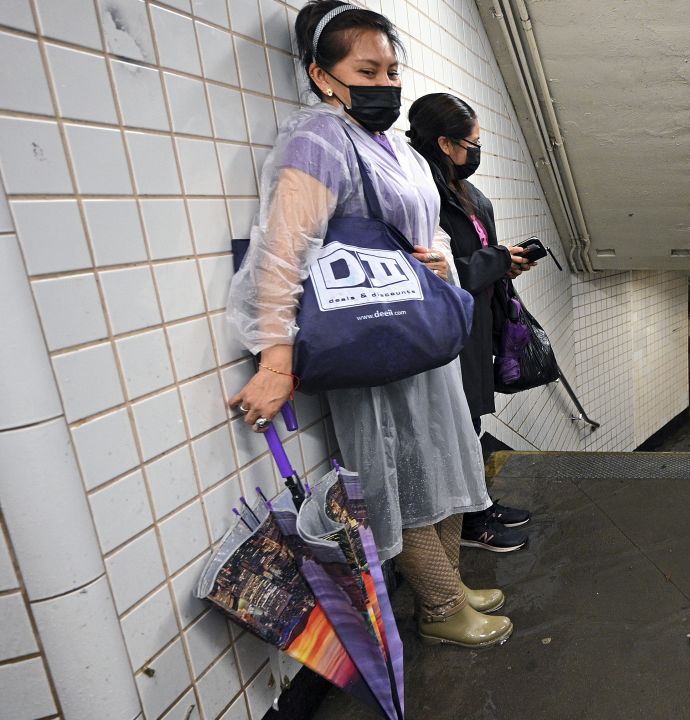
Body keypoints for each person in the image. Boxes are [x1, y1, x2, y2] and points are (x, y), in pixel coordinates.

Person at [225, 0, 511, 648]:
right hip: (372, 338)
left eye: (391, 71)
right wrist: (276, 361)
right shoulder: (319, 139)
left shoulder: (393, 150)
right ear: (324, 76)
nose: (385, 84)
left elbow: (422, 226)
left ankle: (452, 586)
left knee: (445, 462)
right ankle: (439, 609)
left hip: (421, 331)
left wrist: (437, 255)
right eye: (367, 70)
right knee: (404, 472)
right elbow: (281, 249)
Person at [406, 93, 536, 553]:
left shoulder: (464, 191)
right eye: (472, 142)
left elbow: (471, 257)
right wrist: (495, 260)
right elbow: (437, 266)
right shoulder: (423, 192)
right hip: (448, 324)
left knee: (473, 418)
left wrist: (506, 263)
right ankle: (470, 521)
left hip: (478, 317)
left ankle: (479, 504)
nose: (477, 151)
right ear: (444, 143)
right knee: (456, 424)